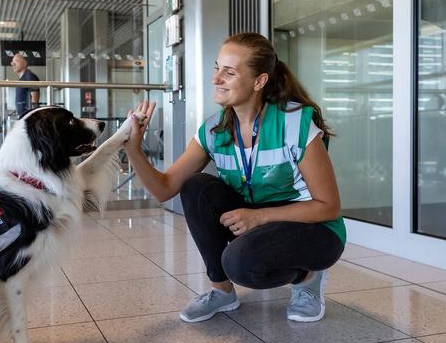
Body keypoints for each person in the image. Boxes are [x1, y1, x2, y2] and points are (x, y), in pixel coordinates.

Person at [124, 32, 346, 323]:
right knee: (196, 187)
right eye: (217, 68)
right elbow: (165, 189)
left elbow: (328, 206)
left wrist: (260, 217)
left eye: (228, 72)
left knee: (241, 264)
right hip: (255, 218)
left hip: (312, 227)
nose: (216, 79)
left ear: (259, 81)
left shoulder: (295, 122)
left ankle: (307, 277)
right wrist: (133, 149)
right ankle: (221, 292)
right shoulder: (214, 130)